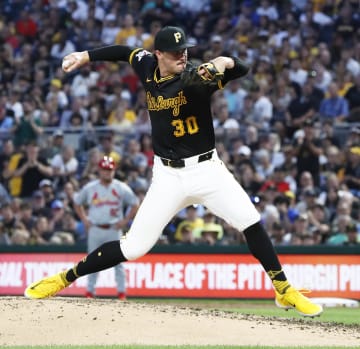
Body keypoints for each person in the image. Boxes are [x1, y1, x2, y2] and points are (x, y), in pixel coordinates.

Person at [24, 26, 322, 317]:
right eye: (175, 52)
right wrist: (86, 56)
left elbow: (240, 68)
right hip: (167, 175)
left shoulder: (195, 78)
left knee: (250, 221)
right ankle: (64, 278)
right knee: (134, 247)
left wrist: (223, 62)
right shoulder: (147, 66)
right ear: (159, 55)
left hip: (206, 169)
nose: (183, 56)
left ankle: (283, 288)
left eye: (185, 50)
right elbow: (125, 52)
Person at [73, 155, 139, 300]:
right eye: (104, 169)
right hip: (95, 228)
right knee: (91, 261)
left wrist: (126, 220)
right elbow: (77, 202)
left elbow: (135, 202)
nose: (107, 172)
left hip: (113, 229)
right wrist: (84, 219)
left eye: (109, 170)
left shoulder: (120, 187)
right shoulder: (91, 188)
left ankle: (121, 293)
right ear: (99, 170)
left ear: (114, 170)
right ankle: (90, 291)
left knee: (118, 261)